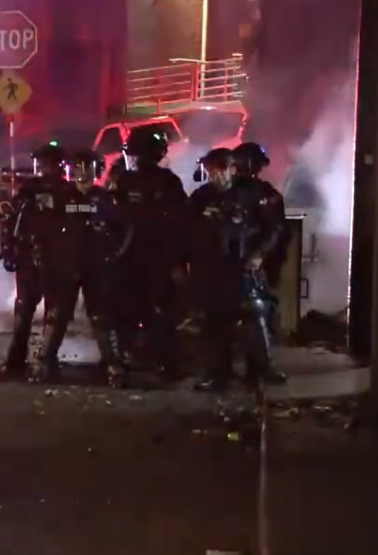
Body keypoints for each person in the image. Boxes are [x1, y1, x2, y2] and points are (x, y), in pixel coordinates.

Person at [190, 145, 287, 391]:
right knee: (214, 323)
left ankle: (263, 370)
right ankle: (216, 373)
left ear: (233, 169)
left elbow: (274, 228)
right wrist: (184, 264)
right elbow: (184, 232)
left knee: (255, 316)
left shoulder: (253, 194)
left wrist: (260, 254)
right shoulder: (200, 197)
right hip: (211, 270)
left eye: (221, 169)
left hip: (244, 267)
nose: (216, 174)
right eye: (211, 169)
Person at [35, 150, 131, 386]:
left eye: (87, 166)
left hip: (96, 265)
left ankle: (113, 366)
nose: (83, 171)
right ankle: (44, 362)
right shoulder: (60, 196)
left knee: (100, 317)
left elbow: (125, 227)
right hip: (66, 264)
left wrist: (117, 253)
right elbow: (43, 228)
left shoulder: (104, 197)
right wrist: (44, 255)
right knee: (57, 315)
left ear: (96, 170)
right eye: (78, 166)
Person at [109, 125, 189, 380]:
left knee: (128, 313)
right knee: (161, 315)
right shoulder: (169, 182)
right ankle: (164, 364)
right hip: (156, 262)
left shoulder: (124, 181)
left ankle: (130, 360)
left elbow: (107, 216)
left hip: (132, 261)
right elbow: (181, 224)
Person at [0, 143, 70, 376]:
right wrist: (8, 248)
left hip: (58, 257)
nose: (46, 167)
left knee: (55, 311)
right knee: (24, 308)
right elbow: (10, 220)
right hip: (29, 256)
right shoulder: (27, 190)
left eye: (51, 162)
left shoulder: (69, 192)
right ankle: (16, 358)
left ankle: (47, 358)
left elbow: (84, 210)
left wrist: (61, 206)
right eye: (43, 162)